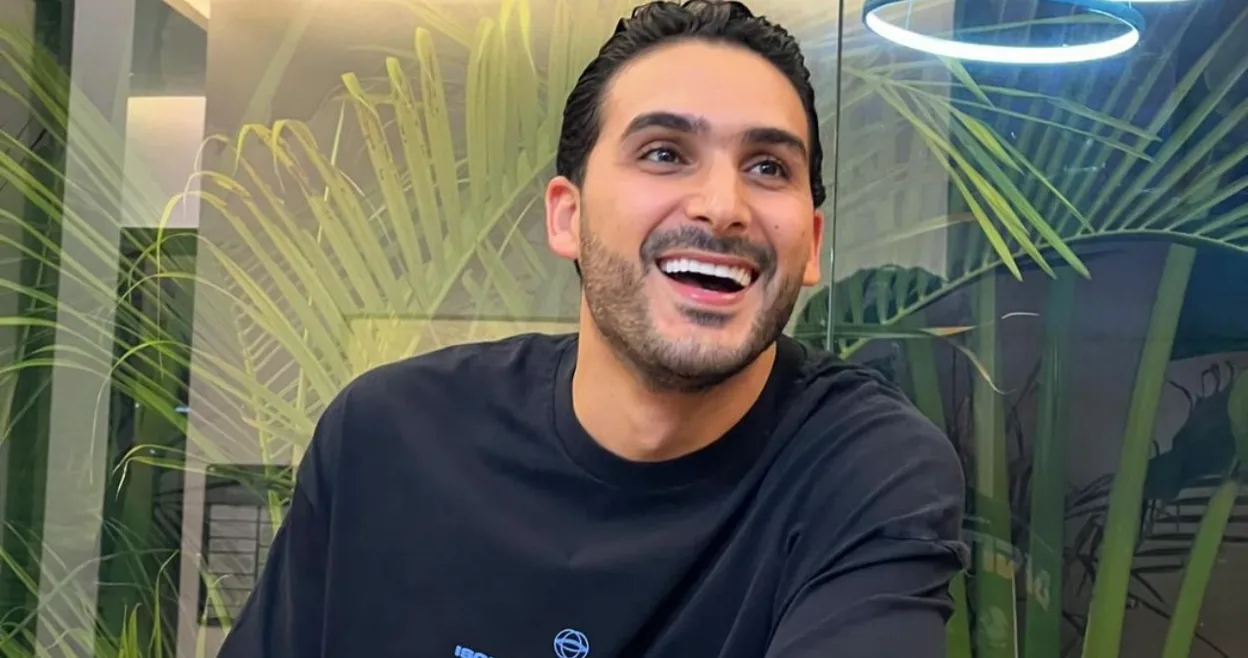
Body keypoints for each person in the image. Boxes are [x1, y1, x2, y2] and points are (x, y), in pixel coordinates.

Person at [218, 1, 969, 656]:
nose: (722, 206)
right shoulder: (388, 439)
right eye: (665, 153)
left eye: (768, 167)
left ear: (810, 244)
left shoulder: (863, 472)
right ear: (567, 217)